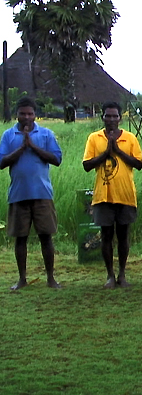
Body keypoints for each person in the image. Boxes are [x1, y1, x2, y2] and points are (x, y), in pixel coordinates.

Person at [0, 97, 62, 290]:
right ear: (17, 114)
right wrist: (21, 147)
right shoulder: (8, 135)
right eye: (22, 113)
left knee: (46, 236)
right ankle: (22, 278)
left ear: (36, 115)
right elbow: (1, 162)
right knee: (21, 238)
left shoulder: (45, 134)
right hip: (19, 194)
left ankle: (51, 278)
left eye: (30, 113)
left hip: (42, 193)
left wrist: (33, 146)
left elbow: (56, 159)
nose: (26, 117)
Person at [83, 102, 142, 288]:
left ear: (120, 118)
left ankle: (122, 274)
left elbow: (139, 164)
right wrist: (106, 153)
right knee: (106, 235)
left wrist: (117, 151)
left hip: (125, 194)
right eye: (107, 116)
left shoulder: (130, 138)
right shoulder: (94, 138)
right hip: (103, 195)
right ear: (102, 118)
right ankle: (110, 275)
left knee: (123, 235)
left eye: (115, 116)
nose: (111, 120)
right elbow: (87, 165)